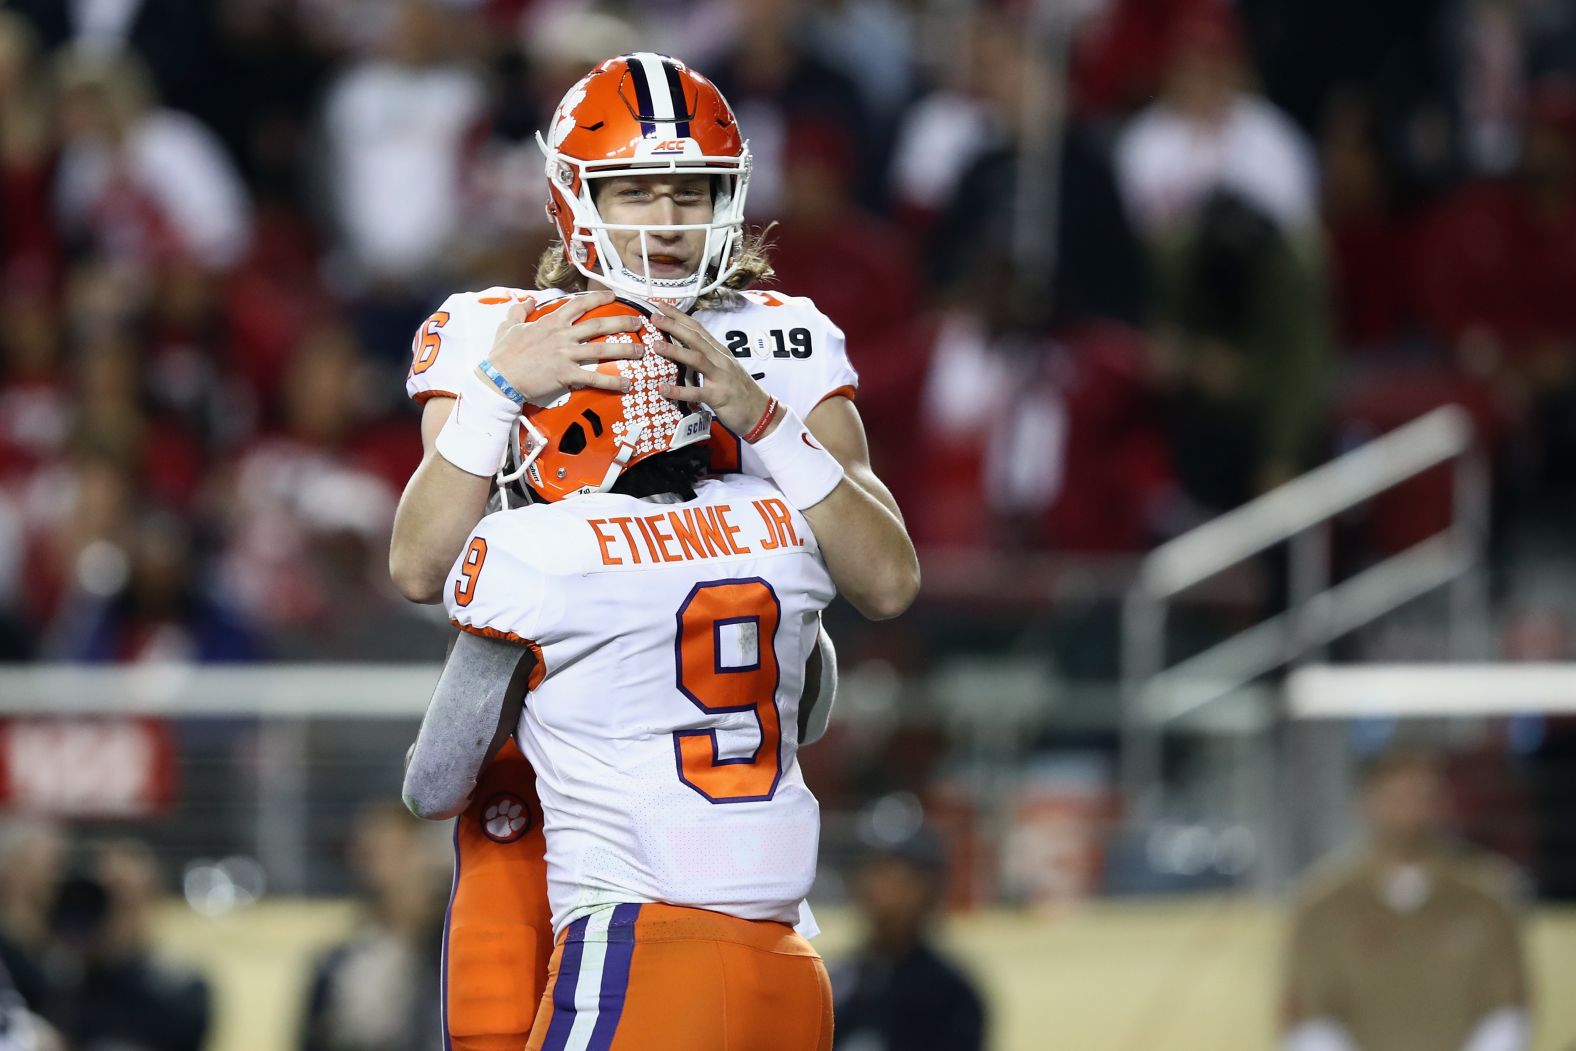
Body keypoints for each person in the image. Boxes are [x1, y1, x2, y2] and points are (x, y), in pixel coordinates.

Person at [387, 53, 919, 1051]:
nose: (667, 218)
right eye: (636, 190)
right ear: (573, 197)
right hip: (528, 783)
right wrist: (502, 390)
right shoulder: (494, 331)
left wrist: (761, 416)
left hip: (700, 782)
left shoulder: (778, 337)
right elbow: (419, 563)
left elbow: (884, 576)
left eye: (693, 189)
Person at [403, 298, 841, 1050]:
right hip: (791, 964)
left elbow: (435, 783)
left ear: (577, 428)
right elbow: (809, 707)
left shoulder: (531, 549)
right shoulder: (776, 519)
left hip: (642, 942)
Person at [1280, 748, 1530, 1051]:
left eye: (1423, 797)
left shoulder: (1487, 897)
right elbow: (1309, 1018)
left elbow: (1506, 1011)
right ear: (1367, 802)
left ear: (1442, 804)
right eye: (1395, 797)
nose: (1410, 811)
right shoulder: (1323, 904)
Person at [830, 810, 985, 1051]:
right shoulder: (835, 980)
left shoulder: (950, 994)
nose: (875, 886)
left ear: (929, 889)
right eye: (869, 871)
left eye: (893, 874)